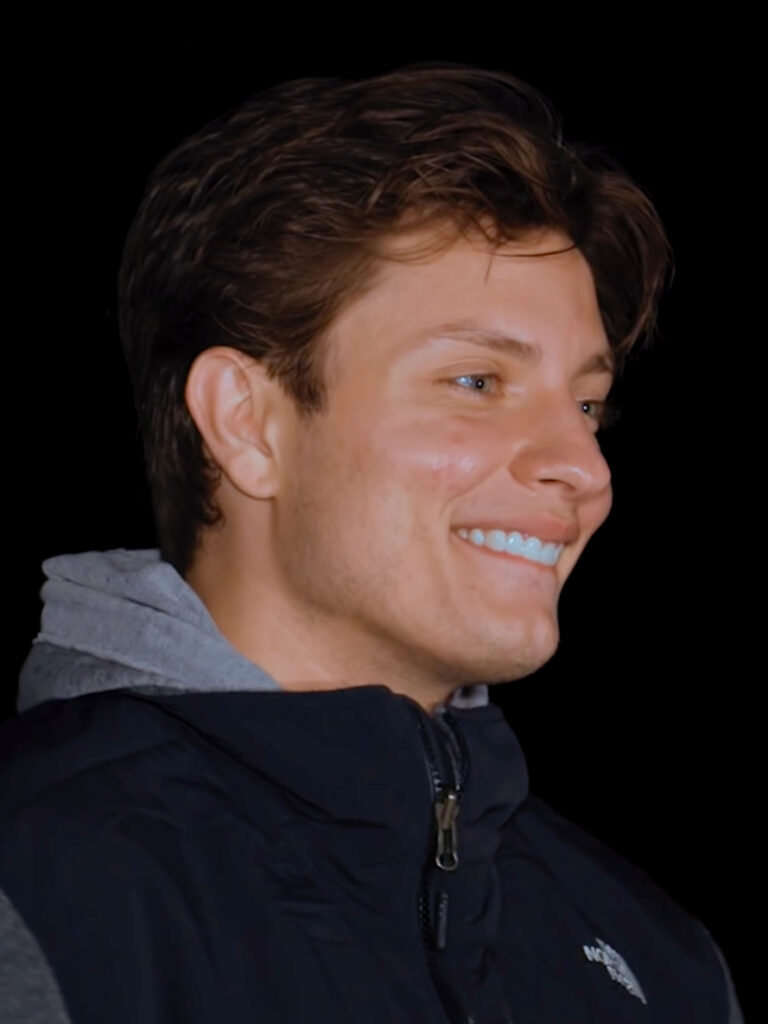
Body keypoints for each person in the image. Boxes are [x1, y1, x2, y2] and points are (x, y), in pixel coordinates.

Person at [0, 61, 743, 1023]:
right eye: (477, 382)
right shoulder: (35, 893)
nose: (583, 467)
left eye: (588, 404)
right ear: (248, 423)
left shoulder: (661, 964)